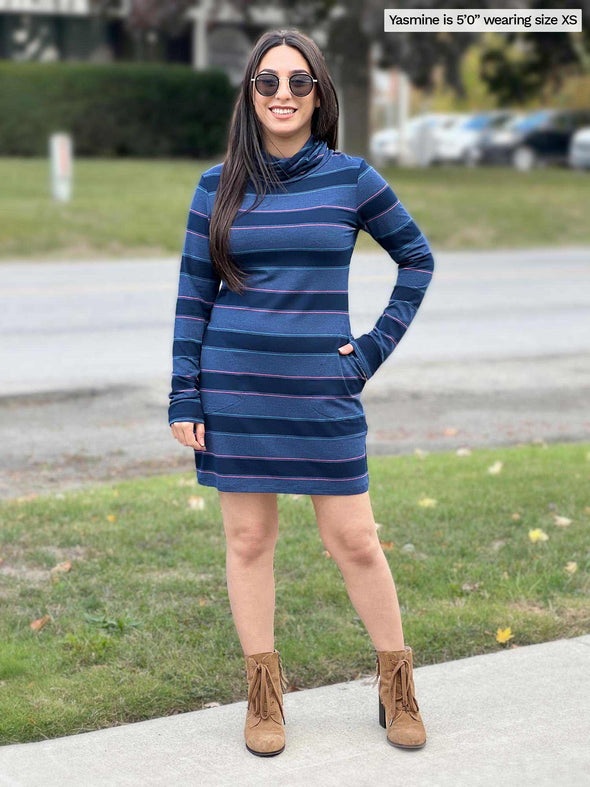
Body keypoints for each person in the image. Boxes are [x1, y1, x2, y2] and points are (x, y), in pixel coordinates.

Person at [168, 27, 435, 757]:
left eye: (298, 82)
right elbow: (194, 297)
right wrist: (183, 394)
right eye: (267, 82)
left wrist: (368, 352)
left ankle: (397, 683)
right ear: (250, 95)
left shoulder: (352, 179)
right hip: (235, 389)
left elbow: (417, 259)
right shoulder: (214, 185)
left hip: (322, 392)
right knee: (249, 539)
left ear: (321, 95)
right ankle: (262, 693)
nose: (282, 94)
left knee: (354, 538)